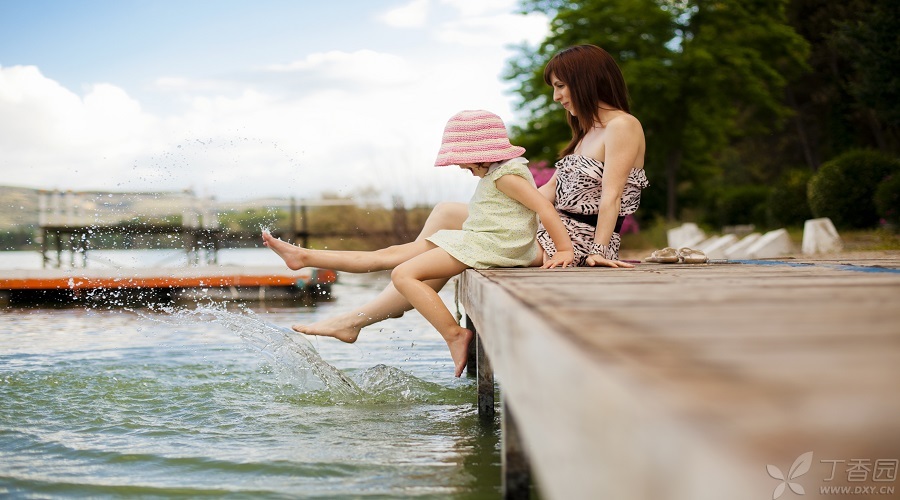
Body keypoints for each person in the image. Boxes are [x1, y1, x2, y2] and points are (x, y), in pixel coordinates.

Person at [283, 44, 648, 348]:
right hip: (552, 227)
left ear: (586, 80)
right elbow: (545, 194)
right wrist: (501, 198)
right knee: (446, 213)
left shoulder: (623, 126)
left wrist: (599, 253)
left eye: (561, 86)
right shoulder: (587, 132)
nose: (556, 97)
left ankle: (361, 316)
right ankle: (387, 300)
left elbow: (611, 196)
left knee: (435, 255)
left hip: (578, 241)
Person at [264, 109, 575, 377]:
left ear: (480, 154)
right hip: (484, 239)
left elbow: (543, 208)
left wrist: (564, 249)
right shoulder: (501, 172)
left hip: (495, 246)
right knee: (390, 254)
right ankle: (304, 257)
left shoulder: (506, 176)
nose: (464, 169)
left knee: (403, 273)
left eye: (465, 164)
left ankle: (454, 334)